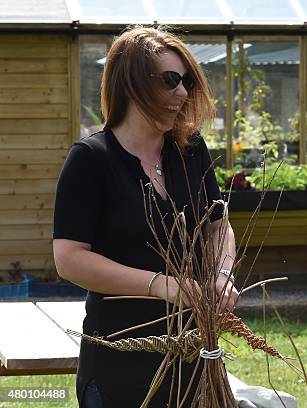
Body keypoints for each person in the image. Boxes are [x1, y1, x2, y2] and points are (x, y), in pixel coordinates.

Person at [53, 27, 239, 407]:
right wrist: (160, 284)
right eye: (171, 80)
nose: (184, 93)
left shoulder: (190, 149)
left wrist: (221, 276)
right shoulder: (91, 159)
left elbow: (217, 226)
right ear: (132, 83)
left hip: (192, 356)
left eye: (187, 81)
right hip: (118, 358)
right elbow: (69, 258)